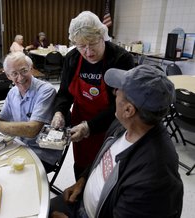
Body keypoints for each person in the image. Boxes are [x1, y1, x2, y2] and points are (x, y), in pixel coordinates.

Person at [50, 64, 184, 218]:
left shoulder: (153, 178)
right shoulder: (124, 125)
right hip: (80, 200)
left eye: (119, 89)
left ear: (128, 110)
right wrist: (82, 181)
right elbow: (103, 160)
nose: (114, 92)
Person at [51, 11, 135, 179]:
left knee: (106, 170)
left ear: (102, 36)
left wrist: (90, 126)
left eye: (92, 43)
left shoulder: (121, 59)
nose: (88, 52)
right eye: (81, 45)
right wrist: (59, 112)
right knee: (82, 166)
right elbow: (65, 92)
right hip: (80, 119)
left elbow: (122, 104)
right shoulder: (72, 58)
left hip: (111, 123)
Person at [0, 51, 61, 172]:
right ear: (8, 76)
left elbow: (32, 129)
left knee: (2, 170)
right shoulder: (13, 92)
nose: (20, 77)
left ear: (31, 68)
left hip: (42, 152)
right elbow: (2, 118)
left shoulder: (46, 91)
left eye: (24, 71)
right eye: (14, 74)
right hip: (20, 145)